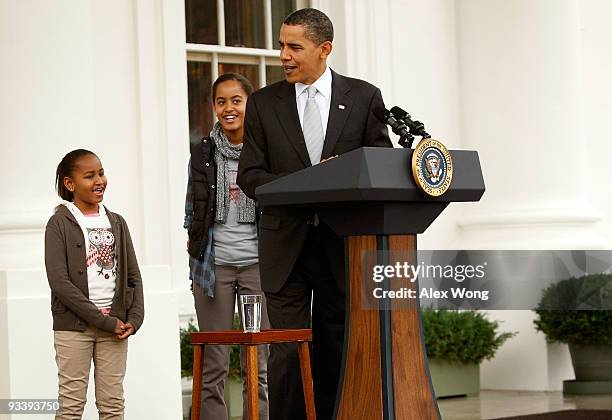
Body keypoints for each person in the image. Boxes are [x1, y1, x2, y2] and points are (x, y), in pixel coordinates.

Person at [237, 8, 392, 420]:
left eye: (294, 46)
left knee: (336, 350)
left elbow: (382, 166)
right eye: (281, 45)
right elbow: (250, 176)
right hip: (284, 248)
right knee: (286, 356)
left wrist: (340, 176)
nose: (283, 55)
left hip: (341, 247)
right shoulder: (263, 104)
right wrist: (309, 181)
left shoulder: (364, 98)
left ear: (324, 49)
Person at [184, 73, 270, 420]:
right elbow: (193, 210)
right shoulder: (203, 154)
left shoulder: (267, 152)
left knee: (259, 363)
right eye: (221, 101)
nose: (228, 108)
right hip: (214, 270)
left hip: (258, 269)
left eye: (236, 100)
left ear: (250, 104)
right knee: (213, 363)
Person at [45, 149, 145, 420]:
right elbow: (60, 283)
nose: (99, 180)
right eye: (89, 176)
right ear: (70, 184)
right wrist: (103, 322)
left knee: (113, 406)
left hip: (116, 327)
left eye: (100, 173)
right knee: (71, 406)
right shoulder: (59, 224)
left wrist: (134, 319)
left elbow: (133, 277)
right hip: (73, 329)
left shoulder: (117, 222)